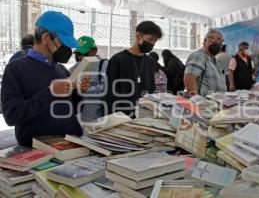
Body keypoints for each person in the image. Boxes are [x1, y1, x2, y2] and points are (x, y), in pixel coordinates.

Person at [1, 11, 90, 147]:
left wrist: (79, 91)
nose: (67, 49)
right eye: (63, 42)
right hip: (39, 153)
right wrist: (50, 92)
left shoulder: (60, 70)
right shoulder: (15, 69)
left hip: (70, 146)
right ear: (46, 38)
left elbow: (73, 110)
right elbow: (12, 116)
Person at [104, 21, 162, 117]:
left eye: (154, 41)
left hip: (145, 117)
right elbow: (109, 93)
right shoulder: (117, 59)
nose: (152, 44)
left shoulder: (150, 62)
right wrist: (113, 117)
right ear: (138, 36)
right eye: (150, 39)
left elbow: (151, 90)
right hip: (121, 117)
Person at [70, 36, 109, 122]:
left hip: (96, 119)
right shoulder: (74, 68)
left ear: (94, 51)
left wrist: (88, 89)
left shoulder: (104, 65)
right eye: (77, 54)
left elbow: (107, 87)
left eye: (83, 54)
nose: (79, 57)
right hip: (77, 119)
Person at [184, 29, 226, 97]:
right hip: (204, 105)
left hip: (214, 104)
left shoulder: (214, 60)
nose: (217, 43)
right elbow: (189, 78)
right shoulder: (199, 55)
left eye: (220, 42)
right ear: (205, 41)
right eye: (212, 40)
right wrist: (196, 101)